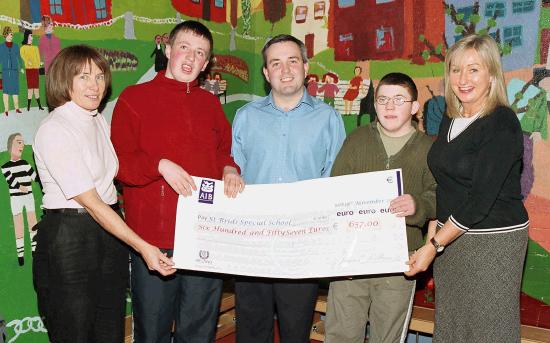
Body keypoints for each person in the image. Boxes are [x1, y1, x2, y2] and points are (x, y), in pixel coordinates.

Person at [111, 21, 244, 343]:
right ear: (168, 49)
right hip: (154, 242)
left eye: (200, 53)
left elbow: (222, 153)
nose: (190, 58)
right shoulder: (134, 98)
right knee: (152, 332)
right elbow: (118, 165)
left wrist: (229, 170)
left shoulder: (210, 105)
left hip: (203, 236)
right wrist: (159, 165)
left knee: (198, 331)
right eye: (184, 47)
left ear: (206, 62)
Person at [32, 45, 174, 343]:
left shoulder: (96, 119)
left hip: (108, 236)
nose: (94, 85)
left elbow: (111, 186)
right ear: (63, 80)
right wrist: (144, 247)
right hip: (70, 237)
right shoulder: (55, 128)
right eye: (83, 77)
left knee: (109, 327)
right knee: (74, 331)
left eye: (99, 76)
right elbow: (93, 203)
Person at [406, 34, 529, 342]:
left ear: (491, 75)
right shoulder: (451, 117)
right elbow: (444, 185)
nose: (462, 79)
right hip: (452, 239)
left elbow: (478, 201)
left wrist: (432, 247)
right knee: (452, 328)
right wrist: (433, 239)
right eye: (456, 69)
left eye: (474, 69)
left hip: (493, 241)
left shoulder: (502, 123)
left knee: (488, 330)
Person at [232, 34, 346, 343]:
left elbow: (336, 180)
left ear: (306, 67)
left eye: (292, 61)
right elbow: (233, 171)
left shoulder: (329, 119)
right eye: (276, 63)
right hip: (252, 242)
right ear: (266, 73)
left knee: (296, 329)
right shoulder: (245, 118)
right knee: (252, 330)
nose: (285, 70)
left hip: (303, 244)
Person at [323, 72, 436, 343]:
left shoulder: (429, 148)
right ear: (374, 104)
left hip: (399, 260)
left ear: (414, 107)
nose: (389, 106)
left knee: (387, 336)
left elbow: (439, 196)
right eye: (382, 99)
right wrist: (337, 250)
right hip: (351, 258)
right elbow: (334, 194)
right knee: (341, 334)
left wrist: (417, 204)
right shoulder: (357, 139)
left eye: (399, 100)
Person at [1, 133, 38, 266]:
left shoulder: (25, 163)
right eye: (19, 142)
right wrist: (20, 186)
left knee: (32, 222)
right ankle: (20, 254)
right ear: (11, 145)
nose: (22, 145)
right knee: (19, 225)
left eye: (22, 142)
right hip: (16, 199)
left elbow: (35, 176)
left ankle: (34, 250)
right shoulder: (5, 167)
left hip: (28, 197)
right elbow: (11, 181)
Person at [20, 30, 44, 111]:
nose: (32, 37)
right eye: (30, 35)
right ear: (27, 36)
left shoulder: (35, 48)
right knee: (30, 89)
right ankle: (28, 106)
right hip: (29, 70)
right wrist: (28, 61)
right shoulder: (23, 48)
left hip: (35, 70)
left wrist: (39, 63)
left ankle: (39, 106)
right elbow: (23, 56)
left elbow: (38, 58)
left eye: (32, 36)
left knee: (36, 88)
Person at [0, 26, 22, 116]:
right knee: (6, 91)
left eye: (12, 34)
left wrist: (21, 67)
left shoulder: (16, 46)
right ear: (6, 35)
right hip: (5, 71)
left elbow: (19, 58)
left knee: (15, 90)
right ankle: (6, 109)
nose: (12, 35)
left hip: (14, 71)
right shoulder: (1, 47)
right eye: (10, 34)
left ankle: (17, 108)